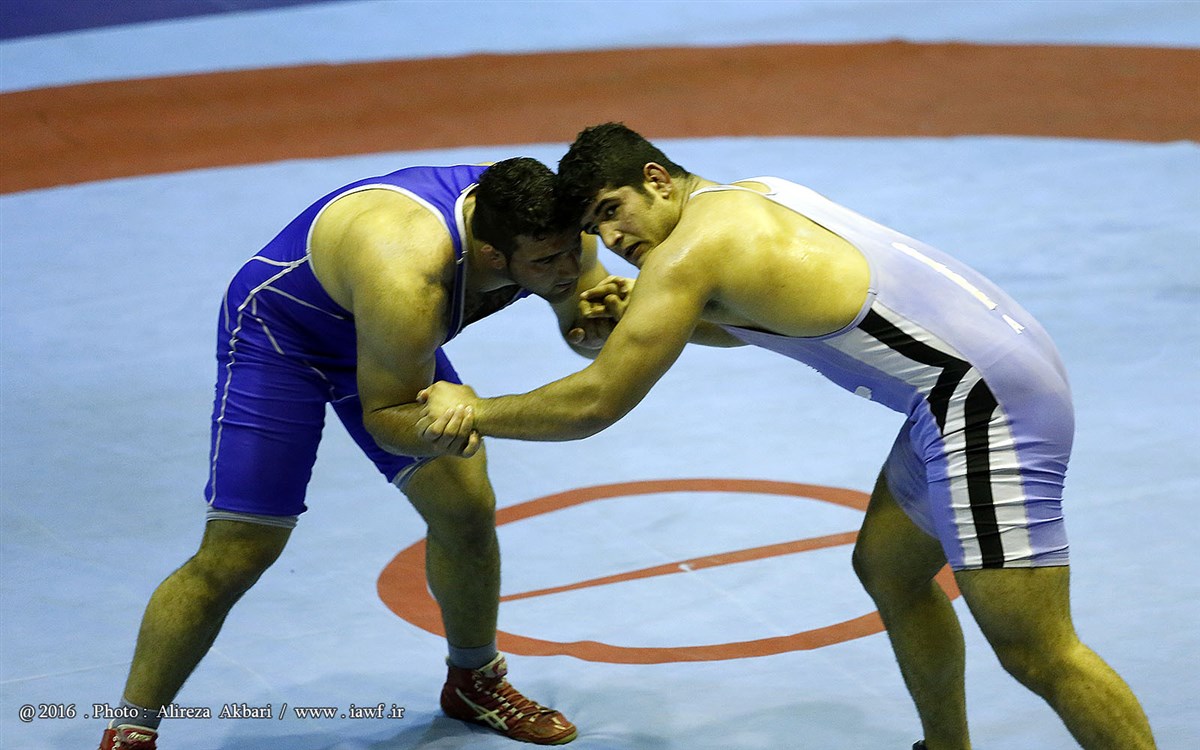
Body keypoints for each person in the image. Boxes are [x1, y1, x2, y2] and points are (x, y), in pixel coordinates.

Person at [418, 124, 1158, 750]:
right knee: (890, 569)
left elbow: (596, 401)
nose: (611, 239)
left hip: (983, 404)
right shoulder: (754, 195)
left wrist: (473, 409)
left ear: (657, 180)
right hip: (984, 377)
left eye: (614, 211)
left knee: (1036, 649)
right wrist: (657, 315)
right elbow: (765, 320)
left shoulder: (689, 255)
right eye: (596, 229)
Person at [99, 157, 622, 750]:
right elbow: (386, 421)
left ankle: (474, 681)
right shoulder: (411, 273)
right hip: (284, 336)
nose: (569, 268)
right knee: (240, 549)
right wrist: (465, 418)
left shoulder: (552, 229)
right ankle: (130, 732)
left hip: (393, 341)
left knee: (465, 509)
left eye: (571, 252)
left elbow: (580, 324)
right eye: (548, 263)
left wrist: (597, 326)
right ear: (493, 257)